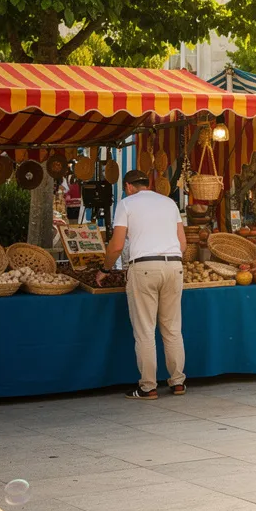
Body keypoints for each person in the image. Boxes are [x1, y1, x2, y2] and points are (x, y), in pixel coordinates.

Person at [98, 170, 187, 400]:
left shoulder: (126, 204)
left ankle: (148, 386)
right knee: (172, 328)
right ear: (148, 184)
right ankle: (178, 382)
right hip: (174, 266)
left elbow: (116, 246)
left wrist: (105, 269)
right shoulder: (169, 203)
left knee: (145, 331)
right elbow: (183, 244)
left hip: (144, 267)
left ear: (128, 186)